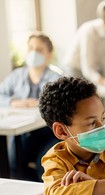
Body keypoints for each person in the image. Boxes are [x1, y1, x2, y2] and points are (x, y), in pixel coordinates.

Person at [0, 32, 62, 181]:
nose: (34, 52)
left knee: (44, 166)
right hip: (23, 134)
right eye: (31, 48)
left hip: (50, 133)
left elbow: (62, 105)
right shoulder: (16, 75)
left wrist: (40, 104)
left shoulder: (57, 78)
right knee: (12, 164)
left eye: (39, 50)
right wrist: (14, 102)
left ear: (49, 54)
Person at [63, 0, 105, 87]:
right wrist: (104, 81)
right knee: (81, 97)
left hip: (93, 69)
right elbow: (87, 67)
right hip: (76, 68)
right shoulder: (89, 32)